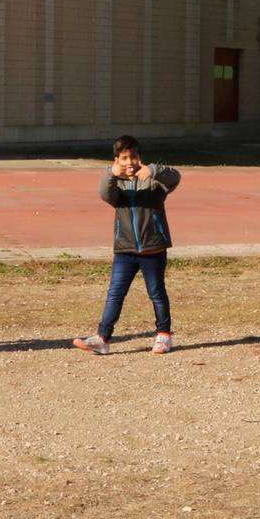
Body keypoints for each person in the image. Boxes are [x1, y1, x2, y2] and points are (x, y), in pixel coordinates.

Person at [73, 135, 181, 356]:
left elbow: (175, 177)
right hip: (125, 250)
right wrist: (111, 174)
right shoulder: (117, 186)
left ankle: (164, 335)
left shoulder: (154, 182)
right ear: (116, 160)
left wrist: (153, 170)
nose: (129, 162)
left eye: (133, 157)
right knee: (115, 294)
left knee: (157, 293)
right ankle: (102, 338)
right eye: (124, 158)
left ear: (140, 157)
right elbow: (104, 193)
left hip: (153, 248)